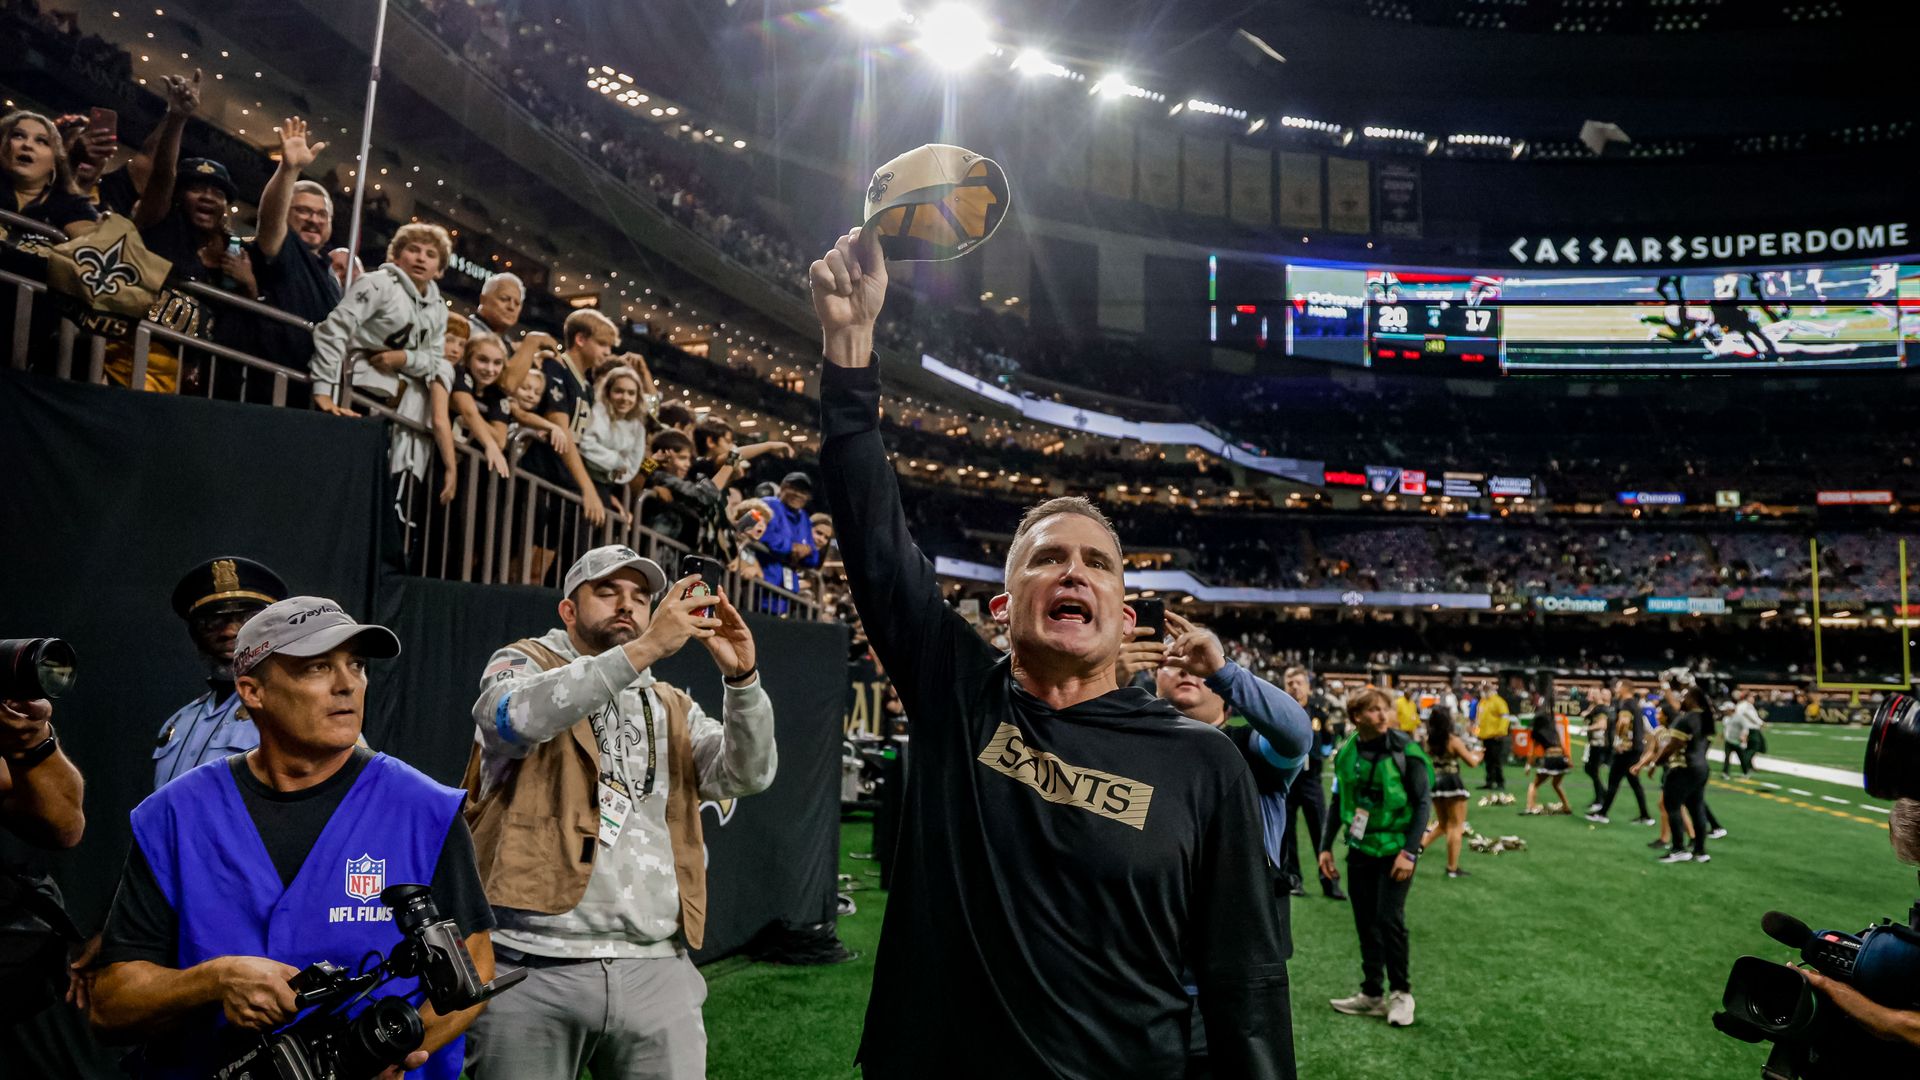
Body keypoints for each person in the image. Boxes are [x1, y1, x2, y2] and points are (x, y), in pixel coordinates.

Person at [812, 227, 1293, 1077]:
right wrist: (850, 355)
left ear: (1124, 615)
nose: (1073, 571)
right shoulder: (959, 695)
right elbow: (879, 549)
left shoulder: (1203, 765)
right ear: (1006, 608)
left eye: (1096, 563)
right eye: (1047, 558)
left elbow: (1245, 983)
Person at [88, 597, 496, 1079]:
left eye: (357, 665)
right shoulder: (175, 815)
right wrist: (214, 980)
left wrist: (382, 1058)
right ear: (252, 691)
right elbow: (111, 1004)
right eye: (317, 667)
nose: (347, 684)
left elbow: (475, 965)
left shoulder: (424, 808)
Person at [462, 546, 776, 1080]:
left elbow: (748, 774)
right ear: (568, 610)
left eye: (639, 596)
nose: (626, 605)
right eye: (607, 592)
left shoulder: (670, 702)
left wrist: (743, 682)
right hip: (531, 965)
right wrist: (648, 647)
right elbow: (509, 720)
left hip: (656, 965)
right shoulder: (523, 662)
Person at [1149, 611, 1312, 1080]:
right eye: (1172, 660)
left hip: (1231, 985)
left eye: (1194, 661)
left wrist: (1224, 669)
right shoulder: (1134, 751)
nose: (1185, 668)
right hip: (1147, 974)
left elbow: (1297, 733)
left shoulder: (1254, 751)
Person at [309, 222, 460, 510]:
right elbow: (334, 330)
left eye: (430, 254)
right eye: (413, 250)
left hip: (395, 405)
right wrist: (323, 391)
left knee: (370, 497)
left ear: (439, 267)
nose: (420, 258)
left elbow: (435, 360)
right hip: (355, 391)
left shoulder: (439, 308)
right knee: (339, 490)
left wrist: (404, 358)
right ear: (396, 255)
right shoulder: (377, 283)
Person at [1319, 686, 1431, 1028]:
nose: (1383, 715)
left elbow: (1423, 803)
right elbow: (1339, 801)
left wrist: (1410, 852)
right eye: (1373, 710)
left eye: (1385, 708)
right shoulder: (1346, 753)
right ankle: (1371, 994)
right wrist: (1325, 847)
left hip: (1396, 851)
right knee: (1365, 920)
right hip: (1359, 849)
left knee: (1389, 919)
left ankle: (1401, 993)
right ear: (1356, 717)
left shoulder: (1406, 751)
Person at [152, 556, 289, 790]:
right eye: (212, 621)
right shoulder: (178, 723)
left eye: (247, 619)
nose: (230, 631)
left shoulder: (293, 711)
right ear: (195, 634)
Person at [248, 118, 337, 395]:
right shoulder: (283, 245)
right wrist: (289, 170)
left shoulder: (329, 273)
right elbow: (270, 220)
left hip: (307, 389)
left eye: (321, 214)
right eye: (303, 211)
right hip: (268, 383)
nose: (314, 220)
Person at [1278, 666, 1345, 901]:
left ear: (1307, 685)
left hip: (1310, 779)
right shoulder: (1278, 709)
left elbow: (1329, 736)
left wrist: (1323, 752)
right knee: (1286, 834)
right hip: (1285, 780)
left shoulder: (1319, 709)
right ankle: (1293, 879)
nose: (1294, 687)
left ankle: (1329, 882)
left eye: (1298, 682)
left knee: (1321, 832)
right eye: (1290, 683)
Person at [1634, 673, 1714, 864]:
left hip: (1683, 768)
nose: (1681, 699)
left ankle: (1679, 849)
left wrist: (1656, 762)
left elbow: (1672, 746)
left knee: (1672, 807)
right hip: (1701, 768)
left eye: (1684, 696)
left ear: (1692, 700)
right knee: (1697, 809)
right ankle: (1700, 851)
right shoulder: (1704, 719)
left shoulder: (1685, 720)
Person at [2, 110, 100, 239]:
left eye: (42, 141)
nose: (27, 145)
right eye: (18, 136)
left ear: (55, 162)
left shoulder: (73, 205)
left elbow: (92, 246)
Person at [1418, 705, 1482, 879]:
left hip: (1436, 783)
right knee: (1456, 825)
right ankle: (1452, 868)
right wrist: (1479, 754)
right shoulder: (1452, 740)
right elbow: (1472, 762)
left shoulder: (1428, 740)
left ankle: (1419, 846)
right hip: (1452, 782)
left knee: (1443, 824)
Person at [578, 363, 649, 511]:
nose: (625, 398)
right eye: (619, 391)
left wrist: (614, 465)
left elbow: (631, 467)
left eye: (631, 393)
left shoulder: (638, 428)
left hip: (608, 486)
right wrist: (616, 461)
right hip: (581, 478)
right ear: (608, 391)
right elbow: (586, 445)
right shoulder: (597, 412)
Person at [1588, 681, 1655, 825]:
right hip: (1635, 749)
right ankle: (1645, 816)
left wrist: (1619, 741)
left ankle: (1602, 813)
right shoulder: (1634, 704)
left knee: (1613, 781)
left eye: (1618, 687)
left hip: (1627, 750)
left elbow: (1623, 722)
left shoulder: (1626, 704)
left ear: (1624, 688)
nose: (1615, 689)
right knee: (1634, 783)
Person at [449, 332, 514, 480]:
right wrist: (489, 443)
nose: (490, 369)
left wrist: (475, 422)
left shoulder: (498, 394)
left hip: (465, 471)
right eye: (483, 360)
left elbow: (500, 440)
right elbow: (467, 409)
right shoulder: (460, 373)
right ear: (468, 358)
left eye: (497, 363)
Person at [753, 471, 822, 611]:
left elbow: (813, 558)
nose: (798, 494)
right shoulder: (768, 504)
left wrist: (807, 551)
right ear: (783, 487)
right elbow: (761, 534)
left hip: (786, 592)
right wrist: (791, 547)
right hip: (759, 586)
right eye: (794, 488)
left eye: (803, 492)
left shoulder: (805, 518)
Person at [1522, 701, 1570, 815]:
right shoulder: (1553, 729)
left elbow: (1532, 752)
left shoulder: (1537, 732)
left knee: (1534, 784)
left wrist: (1528, 765)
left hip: (1550, 758)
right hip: (1561, 758)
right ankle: (1566, 806)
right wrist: (1568, 760)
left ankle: (1529, 807)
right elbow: (1563, 746)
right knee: (1556, 784)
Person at [1580, 686, 1613, 812]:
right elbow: (1586, 715)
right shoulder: (1596, 708)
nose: (1587, 696)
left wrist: (1586, 729)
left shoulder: (1601, 709)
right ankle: (1600, 796)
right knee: (1590, 769)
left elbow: (1602, 725)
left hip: (1599, 744)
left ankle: (1601, 798)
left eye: (1590, 694)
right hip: (1595, 743)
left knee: (1592, 770)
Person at [1475, 679, 1511, 791]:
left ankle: (1500, 782)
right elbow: (1480, 719)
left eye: (1486, 688)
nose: (1483, 690)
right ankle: (1489, 782)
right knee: (1488, 761)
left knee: (1496, 761)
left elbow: (1505, 717)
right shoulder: (1483, 702)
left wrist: (1501, 732)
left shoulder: (1498, 701)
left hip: (1496, 736)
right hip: (1485, 736)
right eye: (1483, 688)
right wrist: (1478, 733)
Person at [1724, 689, 1764, 778]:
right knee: (1754, 747)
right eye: (1751, 697)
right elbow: (1750, 717)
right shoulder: (1745, 706)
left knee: (1751, 748)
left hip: (1747, 729)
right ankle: (1746, 764)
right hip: (1750, 729)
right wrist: (1761, 723)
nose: (1753, 699)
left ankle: (1749, 765)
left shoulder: (1742, 705)